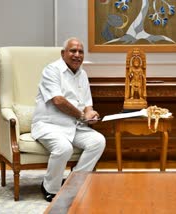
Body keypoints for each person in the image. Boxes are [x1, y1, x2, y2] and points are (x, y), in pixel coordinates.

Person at [31, 37, 106, 202]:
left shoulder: (83, 74)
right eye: (73, 51)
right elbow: (58, 100)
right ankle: (50, 187)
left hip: (74, 126)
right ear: (63, 53)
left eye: (80, 52)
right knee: (64, 148)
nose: (77, 55)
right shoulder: (51, 70)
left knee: (98, 141)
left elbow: (87, 104)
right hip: (49, 125)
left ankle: (74, 182)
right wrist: (82, 115)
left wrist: (91, 114)